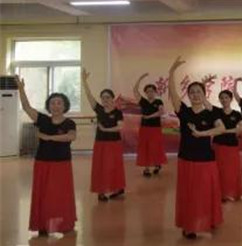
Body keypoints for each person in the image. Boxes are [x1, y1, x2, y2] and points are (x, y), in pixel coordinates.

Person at [168, 57, 226, 239]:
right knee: (189, 195)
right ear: (188, 95)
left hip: (206, 159)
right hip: (186, 159)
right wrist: (172, 72)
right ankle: (190, 225)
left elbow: (221, 128)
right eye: (191, 92)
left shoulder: (211, 113)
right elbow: (173, 93)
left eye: (198, 91)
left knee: (205, 193)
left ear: (204, 94)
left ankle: (209, 220)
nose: (195, 94)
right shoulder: (184, 111)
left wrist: (202, 133)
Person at [16, 76, 77, 236]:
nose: (55, 106)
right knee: (43, 194)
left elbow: (71, 136)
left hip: (62, 164)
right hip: (43, 162)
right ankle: (42, 225)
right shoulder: (42, 120)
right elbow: (26, 107)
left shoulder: (69, 123)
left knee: (60, 195)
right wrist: (21, 89)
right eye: (52, 103)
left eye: (59, 103)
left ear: (64, 106)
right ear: (48, 106)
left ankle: (64, 224)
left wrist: (49, 137)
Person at [82, 69, 125, 202]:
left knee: (114, 166)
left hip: (114, 143)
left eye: (108, 97)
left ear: (112, 99)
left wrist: (105, 129)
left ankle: (117, 188)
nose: (105, 99)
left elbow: (120, 127)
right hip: (100, 143)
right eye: (103, 97)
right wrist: (84, 81)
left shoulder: (118, 112)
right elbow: (89, 96)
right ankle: (101, 191)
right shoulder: (99, 109)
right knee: (101, 167)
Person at [211, 90, 242, 202]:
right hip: (218, 145)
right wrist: (233, 130)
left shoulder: (236, 114)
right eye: (221, 98)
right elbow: (205, 102)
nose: (224, 100)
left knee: (232, 171)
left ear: (231, 99)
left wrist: (224, 131)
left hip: (232, 146)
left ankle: (233, 192)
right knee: (219, 170)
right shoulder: (216, 112)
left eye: (226, 97)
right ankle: (221, 194)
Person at [133, 73, 166, 177]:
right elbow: (135, 90)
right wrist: (140, 78)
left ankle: (157, 165)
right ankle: (146, 169)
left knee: (155, 147)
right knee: (145, 148)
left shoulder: (158, 101)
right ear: (145, 93)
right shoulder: (143, 101)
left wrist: (149, 117)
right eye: (147, 91)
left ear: (155, 92)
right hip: (144, 128)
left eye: (152, 91)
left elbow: (161, 112)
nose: (150, 93)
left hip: (155, 128)